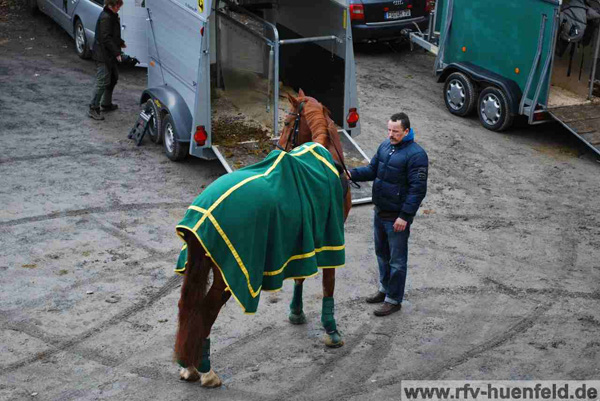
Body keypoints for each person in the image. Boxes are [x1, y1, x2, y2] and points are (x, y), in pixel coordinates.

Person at [348, 112, 428, 316]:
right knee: (382, 254)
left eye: (396, 131)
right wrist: (350, 173)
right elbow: (372, 170)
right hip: (380, 212)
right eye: (389, 130)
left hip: (396, 218)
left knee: (397, 261)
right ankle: (384, 290)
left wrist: (405, 216)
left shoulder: (417, 155)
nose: (391, 134)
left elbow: (417, 190)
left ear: (407, 131)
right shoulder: (386, 146)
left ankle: (393, 300)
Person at [88, 0, 126, 120]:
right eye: (118, 6)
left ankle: (106, 104)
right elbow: (106, 38)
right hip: (103, 55)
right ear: (112, 5)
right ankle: (93, 108)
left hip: (108, 54)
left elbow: (112, 35)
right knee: (102, 81)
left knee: (113, 78)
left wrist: (120, 43)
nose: (119, 8)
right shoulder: (106, 17)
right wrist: (117, 52)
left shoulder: (111, 15)